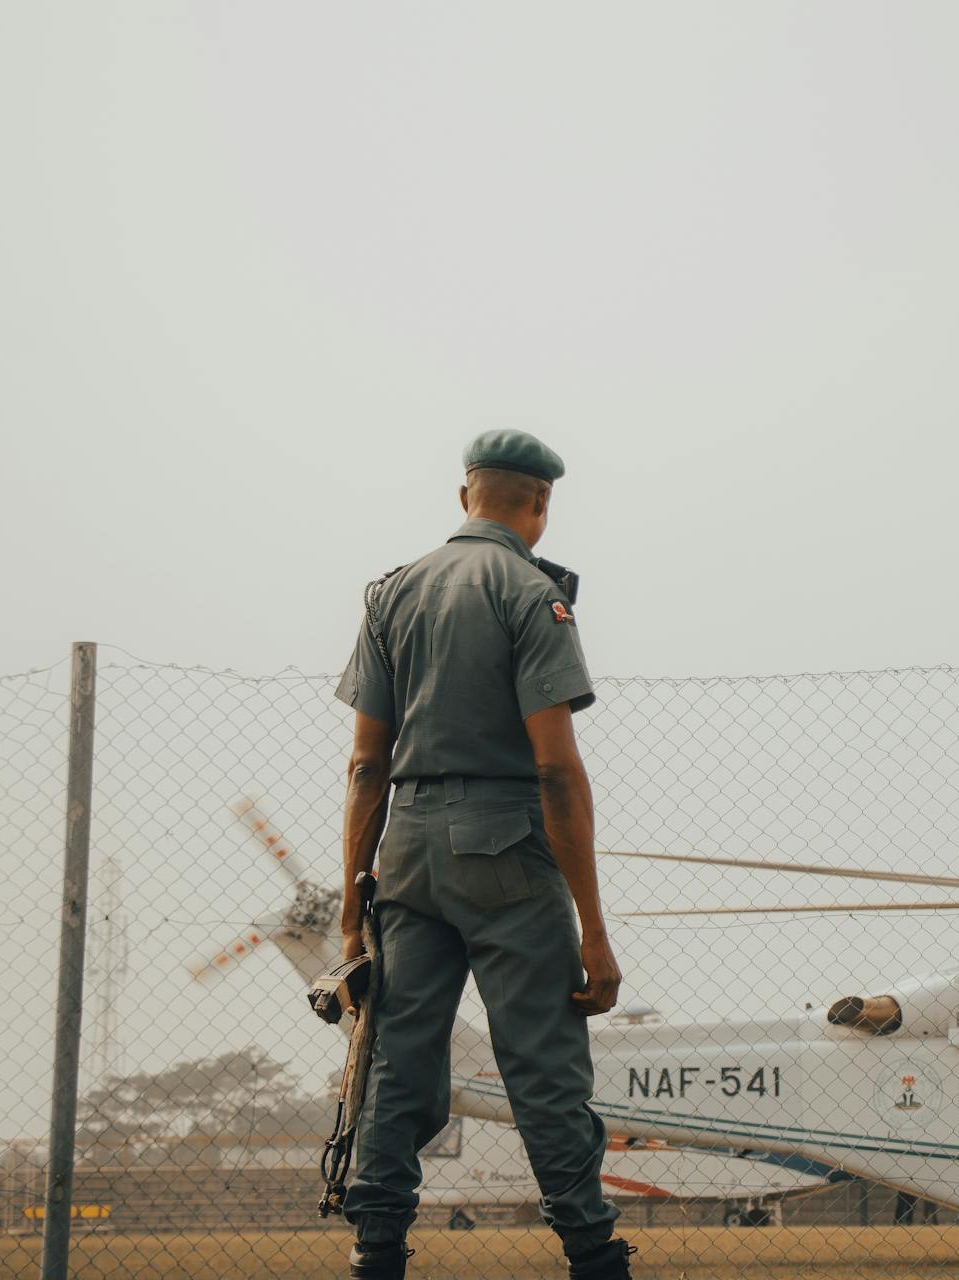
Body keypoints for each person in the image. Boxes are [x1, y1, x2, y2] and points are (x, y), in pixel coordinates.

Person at [332, 430, 635, 1280]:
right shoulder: (531, 594)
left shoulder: (391, 596)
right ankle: (592, 1252)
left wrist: (355, 911)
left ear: (463, 495)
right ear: (539, 504)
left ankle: (376, 1249)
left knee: (396, 1058)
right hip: (503, 842)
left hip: (406, 853)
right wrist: (595, 931)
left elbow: (365, 764)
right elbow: (555, 768)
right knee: (539, 1059)